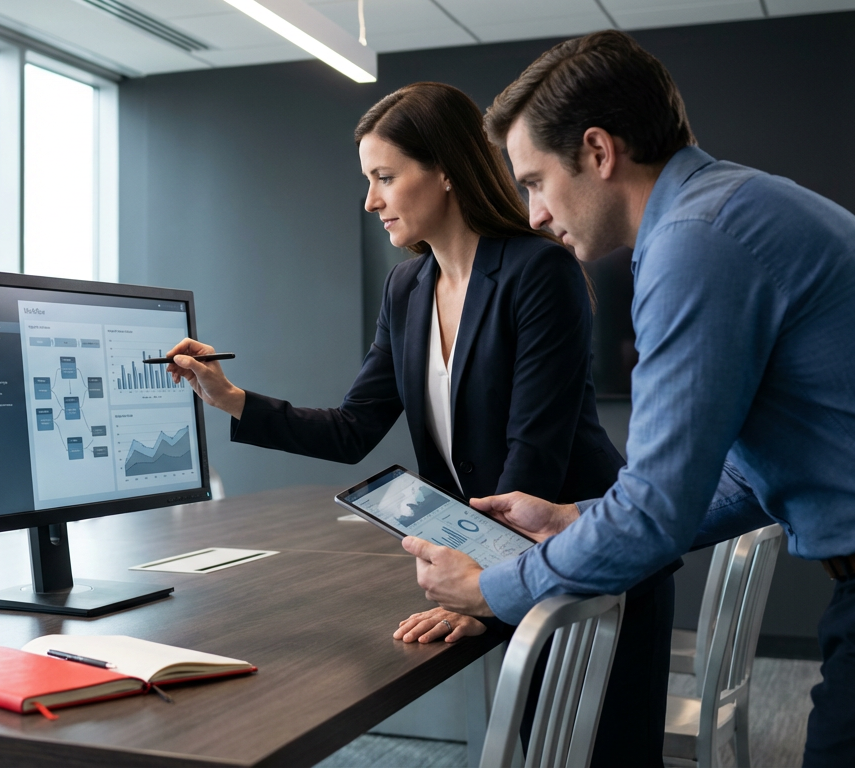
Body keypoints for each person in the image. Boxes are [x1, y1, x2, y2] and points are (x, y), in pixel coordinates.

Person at [167, 82, 674, 766]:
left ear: (444, 170)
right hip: (504, 565)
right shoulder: (407, 288)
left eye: (384, 177)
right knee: (541, 752)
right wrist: (230, 398)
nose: (371, 200)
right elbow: (353, 427)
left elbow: (536, 454)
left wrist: (483, 593)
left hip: (585, 563)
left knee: (601, 756)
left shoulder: (538, 271)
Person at [403, 30, 855, 767]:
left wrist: (494, 587)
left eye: (535, 181)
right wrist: (577, 516)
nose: (533, 216)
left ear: (598, 152)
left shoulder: (694, 242)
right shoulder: (726, 209)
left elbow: (652, 514)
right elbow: (748, 476)